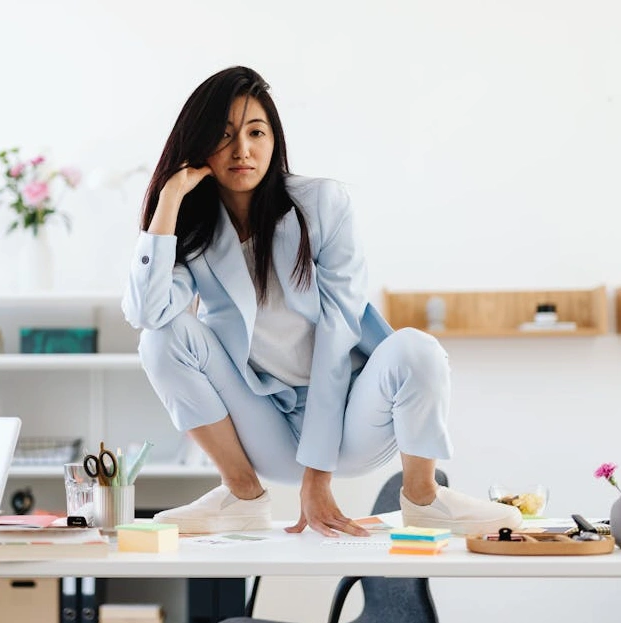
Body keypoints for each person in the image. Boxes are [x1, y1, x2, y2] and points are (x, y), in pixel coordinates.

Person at [121, 66, 521, 537]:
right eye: (224, 135)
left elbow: (339, 332)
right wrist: (169, 201)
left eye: (255, 133)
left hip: (353, 417)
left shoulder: (322, 205)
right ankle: (242, 495)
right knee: (160, 337)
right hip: (265, 423)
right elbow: (147, 313)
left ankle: (422, 497)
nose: (242, 150)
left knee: (417, 349)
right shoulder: (197, 232)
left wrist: (318, 477)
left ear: (275, 140)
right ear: (200, 146)